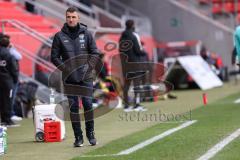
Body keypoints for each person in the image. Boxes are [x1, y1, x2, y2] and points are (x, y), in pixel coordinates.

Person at [51, 7, 99, 147]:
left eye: (73, 17)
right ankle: (78, 138)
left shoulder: (87, 34)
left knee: (88, 105)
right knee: (73, 108)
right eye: (68, 17)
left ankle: (90, 134)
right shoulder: (59, 36)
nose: (71, 19)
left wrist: (88, 67)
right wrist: (66, 69)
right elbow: (54, 57)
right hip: (69, 78)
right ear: (66, 18)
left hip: (86, 77)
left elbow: (95, 53)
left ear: (78, 18)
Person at [119, 19, 147, 112]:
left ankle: (126, 106)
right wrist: (144, 53)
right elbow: (138, 50)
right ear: (133, 25)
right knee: (136, 84)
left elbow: (120, 51)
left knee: (126, 84)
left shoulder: (121, 37)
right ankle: (137, 104)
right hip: (135, 63)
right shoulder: (134, 35)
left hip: (125, 64)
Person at [0, 34, 19, 126]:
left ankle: (3, 119)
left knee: (2, 100)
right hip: (7, 81)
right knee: (8, 100)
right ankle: (7, 120)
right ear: (8, 45)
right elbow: (13, 69)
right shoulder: (9, 55)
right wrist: (15, 80)